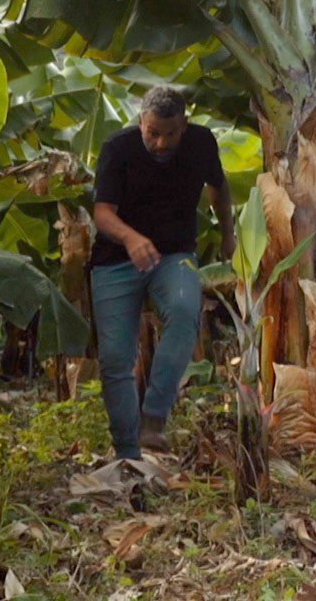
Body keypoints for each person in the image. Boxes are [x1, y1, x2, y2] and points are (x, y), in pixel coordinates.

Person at [91, 85, 235, 459]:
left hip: (173, 255)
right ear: (141, 122)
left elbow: (219, 188)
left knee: (187, 312)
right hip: (114, 260)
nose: (159, 143)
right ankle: (127, 452)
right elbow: (103, 213)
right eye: (152, 133)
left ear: (183, 126)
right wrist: (131, 238)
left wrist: (228, 233)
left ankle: (154, 418)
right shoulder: (117, 149)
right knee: (116, 360)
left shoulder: (202, 143)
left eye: (169, 134)